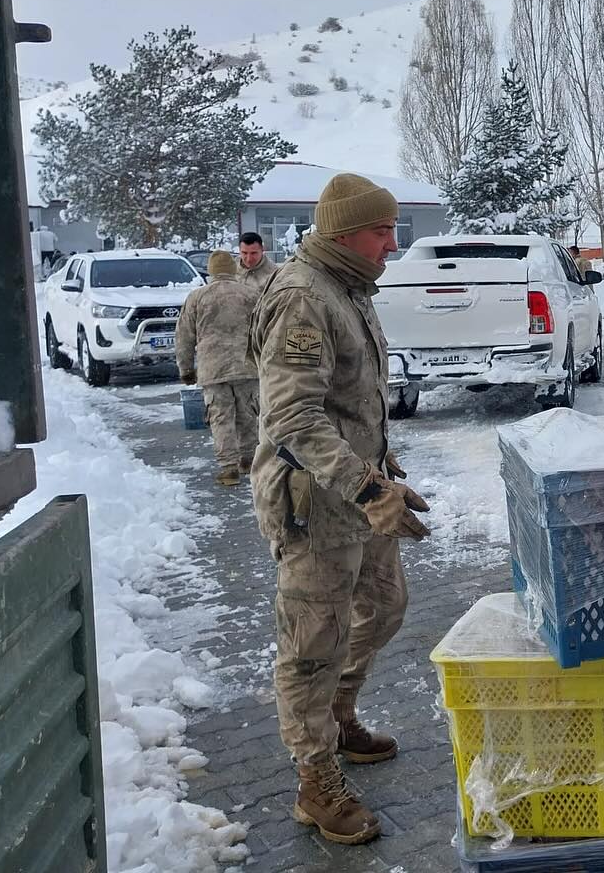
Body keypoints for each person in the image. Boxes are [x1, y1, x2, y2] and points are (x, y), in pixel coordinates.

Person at [250, 173, 432, 846]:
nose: (392, 243)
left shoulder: (347, 287)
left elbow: (348, 398)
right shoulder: (303, 296)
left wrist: (382, 468)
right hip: (317, 506)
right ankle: (315, 778)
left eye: (392, 229)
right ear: (343, 231)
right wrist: (366, 484)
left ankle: (340, 715)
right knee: (310, 649)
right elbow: (292, 415)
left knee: (383, 607)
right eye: (381, 231)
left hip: (361, 495)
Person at [176, 251, 262, 485]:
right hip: (248, 366)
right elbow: (265, 330)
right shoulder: (251, 295)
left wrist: (186, 369)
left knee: (221, 417)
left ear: (211, 271)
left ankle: (228, 468)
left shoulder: (197, 297)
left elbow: (184, 336)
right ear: (233, 269)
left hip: (212, 369)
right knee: (248, 415)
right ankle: (249, 459)